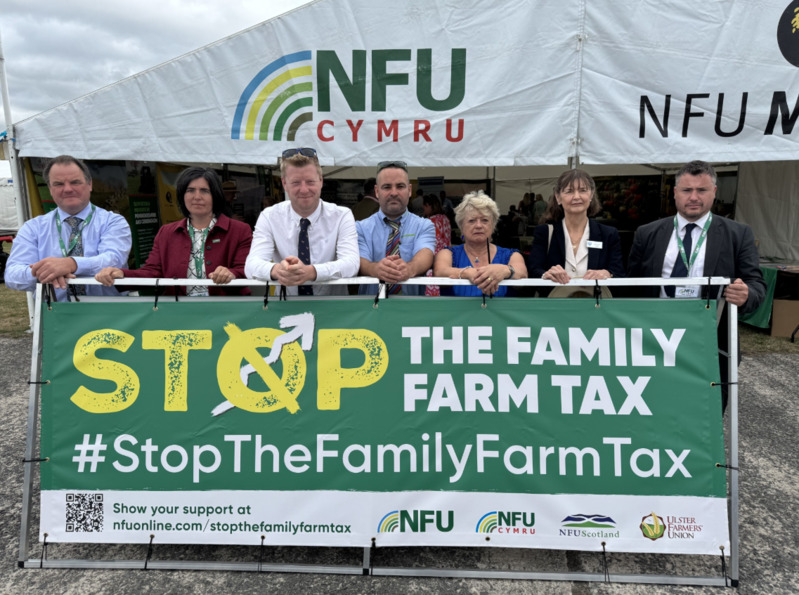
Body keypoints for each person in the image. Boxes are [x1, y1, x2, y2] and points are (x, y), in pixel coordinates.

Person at [628, 160, 766, 411]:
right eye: (686, 190)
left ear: (714, 191)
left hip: (711, 341)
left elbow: (756, 284)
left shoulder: (738, 234)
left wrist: (747, 295)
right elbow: (630, 287)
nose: (694, 197)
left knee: (707, 414)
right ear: (675, 193)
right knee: (653, 406)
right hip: (654, 339)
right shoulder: (647, 233)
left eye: (701, 190)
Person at [95, 167, 251, 296]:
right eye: (190, 190)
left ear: (215, 195)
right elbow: (153, 272)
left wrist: (231, 273)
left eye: (204, 191)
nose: (197, 196)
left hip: (229, 311)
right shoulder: (167, 232)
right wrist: (122, 274)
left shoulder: (239, 230)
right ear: (182, 195)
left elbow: (246, 269)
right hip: (178, 312)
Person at [5, 155, 131, 300]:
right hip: (56, 315)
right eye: (58, 184)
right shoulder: (33, 228)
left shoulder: (113, 222)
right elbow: (12, 275)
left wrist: (71, 264)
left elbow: (113, 260)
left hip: (106, 314)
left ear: (90, 184)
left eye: (75, 182)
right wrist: (47, 272)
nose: (68, 189)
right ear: (50, 189)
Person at [244, 147, 359, 295]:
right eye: (296, 183)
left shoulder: (342, 215)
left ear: (321, 181)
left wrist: (311, 272)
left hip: (334, 308)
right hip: (285, 309)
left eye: (310, 182)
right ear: (284, 184)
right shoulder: (269, 216)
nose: (304, 190)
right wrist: (277, 270)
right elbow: (251, 265)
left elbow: (351, 264)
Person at [528, 169, 625, 293]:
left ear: (591, 195)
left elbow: (620, 274)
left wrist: (607, 274)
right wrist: (546, 275)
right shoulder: (545, 233)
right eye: (569, 191)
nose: (576, 196)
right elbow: (533, 270)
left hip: (595, 308)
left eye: (583, 190)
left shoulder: (608, 234)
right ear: (558, 197)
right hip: (554, 307)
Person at [356, 161, 435, 295]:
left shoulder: (424, 226)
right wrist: (375, 269)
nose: (394, 192)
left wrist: (409, 269)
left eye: (400, 186)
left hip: (411, 309)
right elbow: (359, 261)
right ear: (376, 191)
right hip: (371, 309)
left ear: (409, 190)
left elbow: (426, 255)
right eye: (387, 187)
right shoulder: (360, 228)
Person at [434, 190, 528, 297]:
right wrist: (467, 273)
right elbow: (439, 271)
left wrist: (505, 270)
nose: (478, 225)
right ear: (461, 227)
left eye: (484, 220)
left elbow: (522, 274)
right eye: (472, 221)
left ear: (493, 226)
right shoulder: (447, 254)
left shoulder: (511, 255)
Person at [422, 194, 452, 296]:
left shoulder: (429, 222)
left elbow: (432, 243)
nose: (424, 210)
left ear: (429, 206)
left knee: (433, 293)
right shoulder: (445, 219)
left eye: (424, 207)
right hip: (448, 257)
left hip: (434, 261)